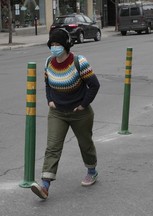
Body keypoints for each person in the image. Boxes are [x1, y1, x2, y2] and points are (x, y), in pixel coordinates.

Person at [31, 28, 100, 200]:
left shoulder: (79, 61)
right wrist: (49, 100)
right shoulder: (48, 62)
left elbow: (94, 85)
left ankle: (92, 171)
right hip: (57, 113)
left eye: (58, 44)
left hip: (80, 113)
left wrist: (84, 105)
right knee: (52, 147)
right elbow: (47, 83)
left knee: (85, 144)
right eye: (52, 44)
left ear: (66, 45)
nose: (54, 48)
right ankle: (45, 185)